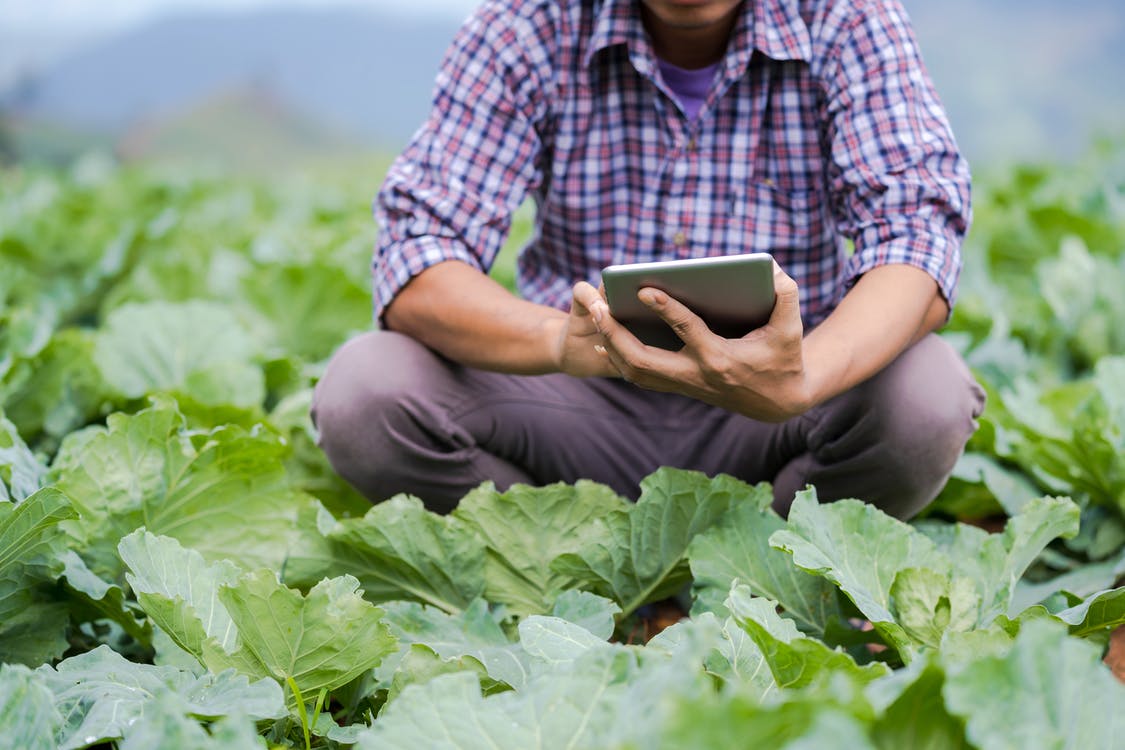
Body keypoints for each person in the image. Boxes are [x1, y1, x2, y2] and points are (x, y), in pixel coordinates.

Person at [312, 0, 986, 519]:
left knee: (923, 398)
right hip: (572, 405)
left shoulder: (845, 17)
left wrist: (807, 375)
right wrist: (558, 339)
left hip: (776, 409)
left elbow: (914, 231)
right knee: (366, 390)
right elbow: (418, 250)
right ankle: (562, 562)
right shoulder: (527, 24)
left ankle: (768, 569)